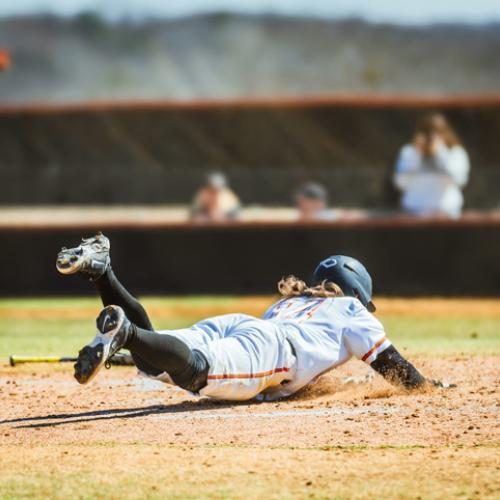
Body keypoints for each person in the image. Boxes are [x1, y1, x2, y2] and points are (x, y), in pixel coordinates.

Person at [56, 233, 452, 402]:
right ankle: (124, 332)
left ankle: (103, 271)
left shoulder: (289, 304)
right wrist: (427, 387)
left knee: (152, 355)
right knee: (196, 372)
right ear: (357, 293)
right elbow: (393, 367)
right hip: (275, 348)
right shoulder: (350, 309)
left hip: (245, 324)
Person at [393, 113, 470, 218]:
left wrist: (440, 153)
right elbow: (400, 183)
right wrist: (417, 155)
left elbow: (459, 180)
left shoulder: (456, 152)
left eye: (437, 133)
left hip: (447, 214)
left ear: (445, 133)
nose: (431, 139)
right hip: (414, 214)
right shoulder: (409, 152)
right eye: (427, 133)